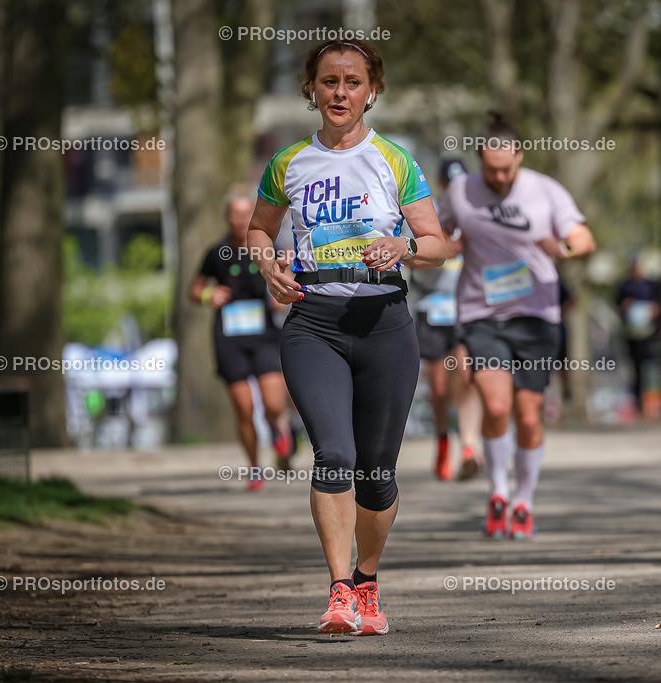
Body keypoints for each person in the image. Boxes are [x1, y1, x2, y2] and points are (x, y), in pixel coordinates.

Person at [246, 39, 447, 636]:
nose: (340, 92)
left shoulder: (395, 159)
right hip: (314, 324)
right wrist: (267, 264)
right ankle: (337, 592)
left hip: (385, 324)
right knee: (334, 454)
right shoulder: (288, 162)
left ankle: (366, 583)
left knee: (377, 471)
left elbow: (437, 244)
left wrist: (404, 247)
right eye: (328, 82)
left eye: (352, 82)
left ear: (372, 90)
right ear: (311, 89)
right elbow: (260, 230)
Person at [440, 112, 595, 539]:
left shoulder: (545, 190)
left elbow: (584, 239)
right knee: (496, 407)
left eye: (508, 168)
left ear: (520, 157)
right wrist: (445, 246)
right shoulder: (460, 190)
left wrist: (562, 248)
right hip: (482, 314)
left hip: (536, 317)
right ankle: (499, 491)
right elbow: (440, 234)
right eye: (492, 169)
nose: (501, 176)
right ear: (479, 160)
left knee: (528, 417)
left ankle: (525, 500)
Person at [188, 184, 297, 492]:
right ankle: (254, 468)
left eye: (245, 213)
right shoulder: (216, 252)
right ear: (226, 217)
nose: (239, 220)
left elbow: (284, 284)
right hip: (230, 338)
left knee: (274, 404)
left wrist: (282, 293)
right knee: (244, 408)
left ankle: (279, 429)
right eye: (234, 215)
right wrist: (210, 294)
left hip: (263, 335)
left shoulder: (266, 249)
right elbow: (194, 290)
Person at [411, 158, 483, 481]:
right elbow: (409, 259)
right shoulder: (428, 215)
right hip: (432, 310)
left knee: (466, 377)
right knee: (439, 387)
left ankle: (469, 446)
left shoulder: (476, 217)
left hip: (466, 310)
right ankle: (443, 441)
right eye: (450, 184)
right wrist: (439, 252)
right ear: (440, 185)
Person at [616, 255, 661, 421]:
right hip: (632, 334)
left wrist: (652, 309)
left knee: (652, 369)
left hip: (649, 334)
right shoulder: (625, 286)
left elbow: (658, 305)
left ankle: (655, 404)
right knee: (635, 371)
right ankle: (637, 404)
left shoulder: (651, 285)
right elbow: (619, 306)